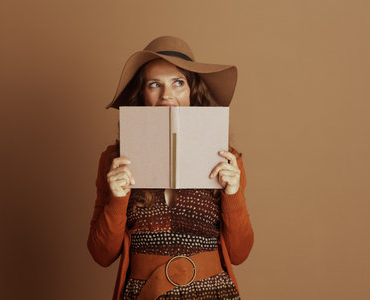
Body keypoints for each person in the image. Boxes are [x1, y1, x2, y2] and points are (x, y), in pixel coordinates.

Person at [88, 36, 254, 300]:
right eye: (155, 84)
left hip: (212, 293)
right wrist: (117, 199)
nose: (167, 95)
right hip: (145, 293)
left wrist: (232, 193)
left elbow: (240, 253)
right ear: (142, 94)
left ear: (193, 91)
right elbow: (101, 255)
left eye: (178, 83)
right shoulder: (114, 161)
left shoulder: (226, 159)